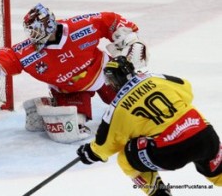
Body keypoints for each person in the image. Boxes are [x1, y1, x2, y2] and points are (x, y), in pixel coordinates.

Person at [0, 3, 149, 143]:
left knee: (135, 105)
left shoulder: (80, 27)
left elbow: (110, 20)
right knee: (71, 132)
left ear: (48, 26)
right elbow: (10, 56)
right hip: (68, 90)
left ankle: (50, 108)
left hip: (101, 74)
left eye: (36, 31)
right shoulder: (28, 51)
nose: (33, 36)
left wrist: (131, 39)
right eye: (30, 32)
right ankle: (51, 105)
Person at [76, 56, 222, 195]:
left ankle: (159, 193)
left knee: (126, 157)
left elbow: (105, 145)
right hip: (205, 137)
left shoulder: (117, 107)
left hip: (171, 153)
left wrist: (91, 152)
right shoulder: (155, 78)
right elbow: (187, 90)